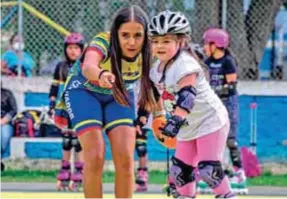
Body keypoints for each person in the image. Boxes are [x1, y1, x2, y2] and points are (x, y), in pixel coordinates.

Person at [54, 5, 157, 198]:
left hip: (118, 93)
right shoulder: (104, 40)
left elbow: (152, 87)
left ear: (145, 35)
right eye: (125, 35)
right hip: (84, 90)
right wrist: (100, 73)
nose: (132, 42)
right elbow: (89, 65)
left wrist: (150, 114)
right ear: (116, 33)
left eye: (138, 35)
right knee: (95, 154)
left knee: (126, 159)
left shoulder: (150, 50)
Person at [147, 10, 235, 198]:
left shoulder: (185, 64)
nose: (159, 46)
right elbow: (158, 95)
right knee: (180, 171)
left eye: (166, 41)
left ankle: (228, 195)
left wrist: (176, 120)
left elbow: (187, 96)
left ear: (180, 42)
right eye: (155, 41)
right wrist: (155, 117)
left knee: (208, 169)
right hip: (188, 126)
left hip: (209, 121)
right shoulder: (156, 70)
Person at [203, 28, 247, 193]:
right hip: (213, 105)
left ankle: (239, 172)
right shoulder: (207, 62)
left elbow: (231, 86)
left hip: (228, 103)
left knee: (230, 140)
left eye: (207, 44)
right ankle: (217, 173)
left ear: (215, 45)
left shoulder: (228, 61)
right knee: (212, 139)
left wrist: (213, 91)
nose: (205, 47)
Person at [48, 33, 85, 191]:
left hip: (81, 107)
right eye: (70, 48)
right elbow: (54, 87)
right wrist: (51, 105)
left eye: (76, 48)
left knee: (78, 142)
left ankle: (79, 171)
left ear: (81, 50)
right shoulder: (61, 67)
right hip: (64, 107)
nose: (73, 51)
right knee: (66, 141)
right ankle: (64, 171)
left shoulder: (85, 66)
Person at [1, 83, 17, 171]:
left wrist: (5, 119)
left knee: (5, 136)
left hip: (5, 122)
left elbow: (14, 109)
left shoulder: (7, 93)